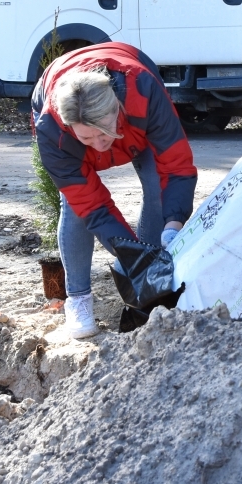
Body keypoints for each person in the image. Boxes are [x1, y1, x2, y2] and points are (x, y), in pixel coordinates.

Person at [32, 43, 197, 340]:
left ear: (116, 108)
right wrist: (128, 253)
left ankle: (151, 284)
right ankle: (78, 301)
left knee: (158, 186)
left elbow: (175, 167)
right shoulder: (53, 130)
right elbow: (93, 206)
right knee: (75, 208)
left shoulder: (144, 93)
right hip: (64, 100)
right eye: (87, 136)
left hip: (135, 117)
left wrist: (174, 225)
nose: (98, 144)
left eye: (104, 130)